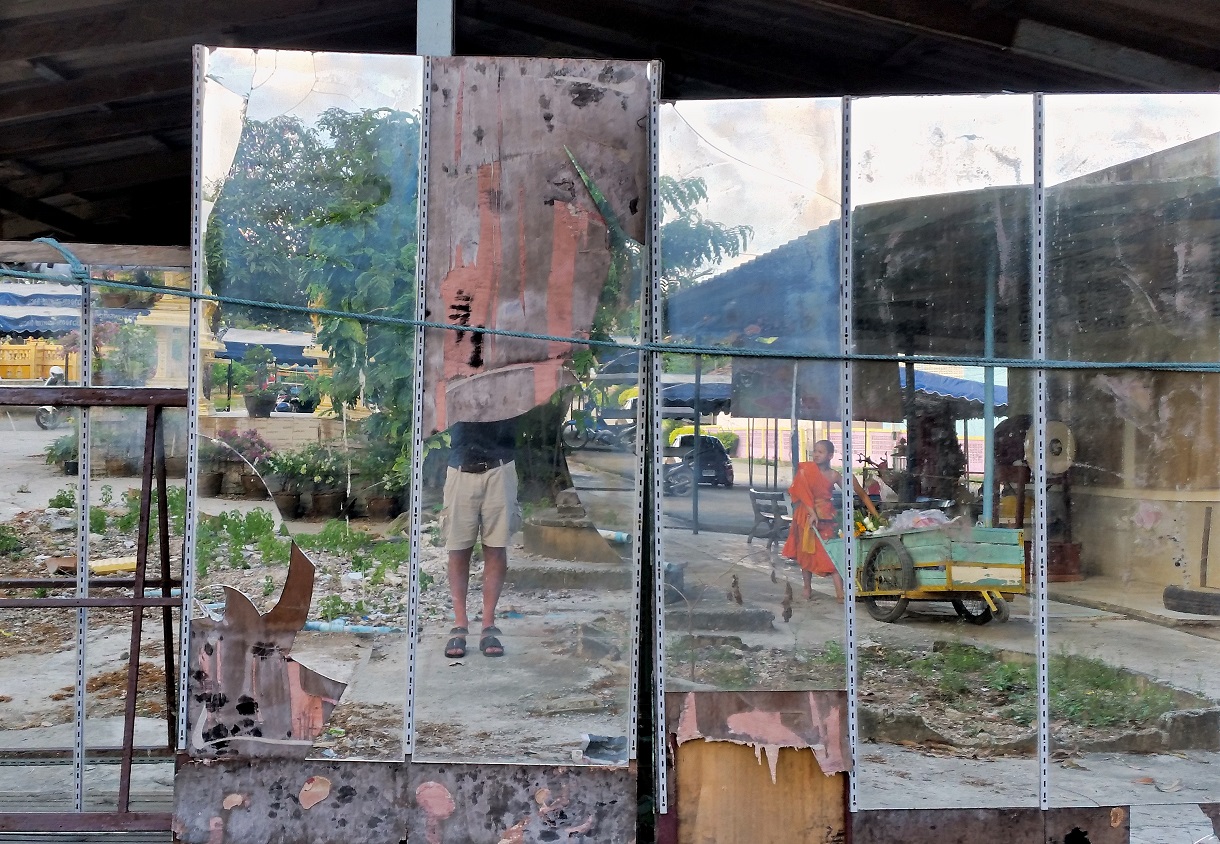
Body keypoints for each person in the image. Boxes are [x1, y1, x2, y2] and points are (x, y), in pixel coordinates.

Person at [442, 417, 519, 659]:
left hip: (500, 466)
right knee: (458, 548)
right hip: (460, 467)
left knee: (496, 547)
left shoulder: (506, 389)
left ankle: (488, 625)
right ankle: (459, 625)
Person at [783, 439, 880, 602]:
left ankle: (840, 593)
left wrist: (876, 516)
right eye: (814, 451)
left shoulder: (834, 475)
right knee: (806, 552)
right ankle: (807, 588)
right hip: (806, 516)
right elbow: (801, 494)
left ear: (830, 455)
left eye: (820, 452)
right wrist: (812, 513)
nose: (816, 455)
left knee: (833, 552)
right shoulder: (805, 471)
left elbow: (859, 493)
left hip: (826, 517)